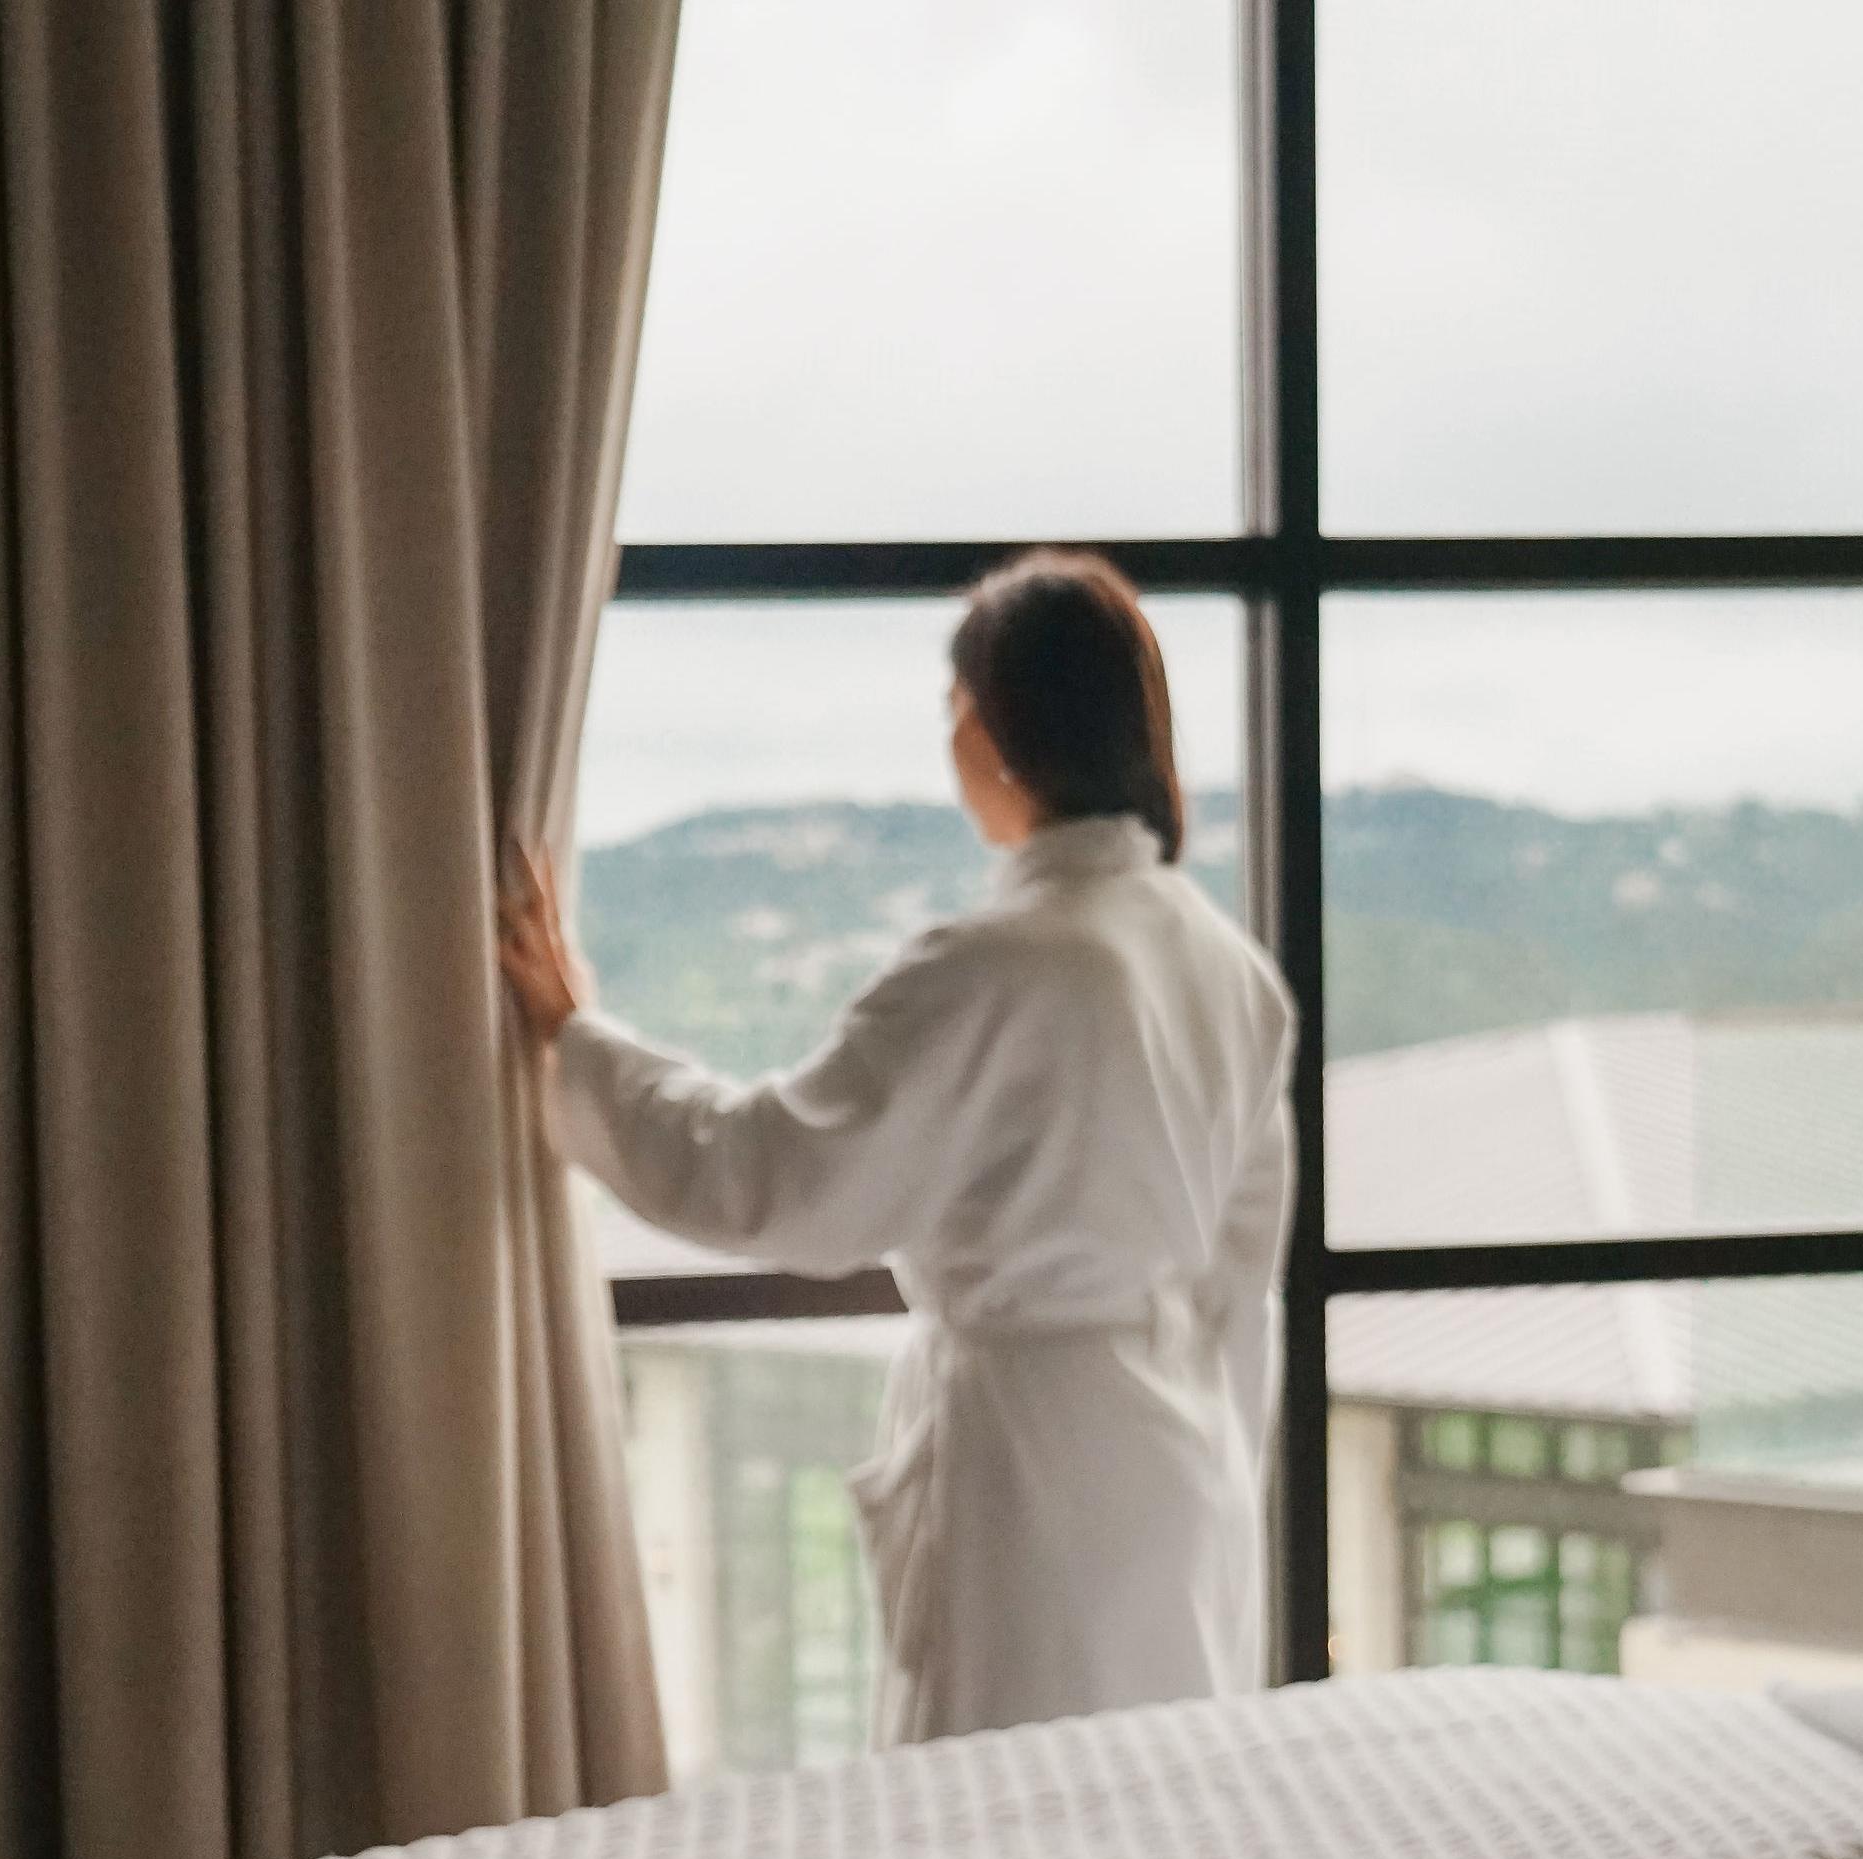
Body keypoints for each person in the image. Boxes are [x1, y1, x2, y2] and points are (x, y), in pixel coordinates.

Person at [499, 550, 1297, 1744]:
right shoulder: (1226, 966)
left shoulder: (1000, 964)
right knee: (1152, 1799)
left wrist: (582, 1041)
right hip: (1177, 1461)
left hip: (1032, 1476)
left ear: (991, 728)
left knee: (1002, 1824)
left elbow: (770, 1174)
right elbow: (1246, 1280)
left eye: (955, 708)